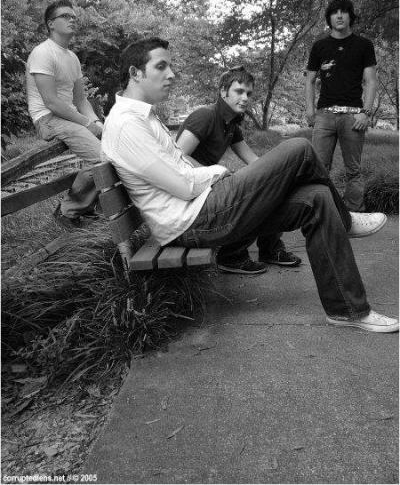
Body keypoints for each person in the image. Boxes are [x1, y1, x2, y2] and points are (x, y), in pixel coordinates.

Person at [101, 36, 398, 333]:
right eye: (161, 66)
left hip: (202, 208)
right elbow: (182, 185)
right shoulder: (128, 124)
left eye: (170, 66)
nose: (171, 74)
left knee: (316, 198)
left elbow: (182, 169)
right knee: (299, 148)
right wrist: (219, 172)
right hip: (193, 220)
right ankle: (346, 222)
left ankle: (347, 311)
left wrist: (240, 177)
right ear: (135, 73)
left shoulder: (143, 118)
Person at [176, 66, 301, 274]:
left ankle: (270, 249)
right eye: (239, 91)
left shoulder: (231, 125)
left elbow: (255, 162)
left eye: (248, 94)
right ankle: (232, 256)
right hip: (193, 196)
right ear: (223, 91)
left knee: (274, 184)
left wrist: (277, 173)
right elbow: (178, 157)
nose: (245, 98)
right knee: (257, 197)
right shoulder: (205, 116)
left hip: (208, 188)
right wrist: (214, 174)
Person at [26, 0, 103, 227]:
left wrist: (97, 122)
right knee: (102, 158)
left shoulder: (72, 58)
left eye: (74, 17)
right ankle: (68, 211)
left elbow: (80, 100)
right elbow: (51, 101)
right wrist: (85, 123)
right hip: (48, 117)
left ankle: (88, 208)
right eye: (65, 16)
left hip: (67, 115)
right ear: (51, 24)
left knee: (115, 147)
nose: (72, 20)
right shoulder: (42, 53)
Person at [305, 0, 377, 212]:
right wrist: (310, 110)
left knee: (353, 170)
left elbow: (371, 81)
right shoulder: (319, 46)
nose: (339, 15)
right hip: (324, 116)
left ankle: (354, 212)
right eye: (334, 12)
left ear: (350, 16)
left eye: (343, 11)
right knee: (318, 168)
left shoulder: (364, 45)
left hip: (353, 117)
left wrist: (366, 113)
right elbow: (309, 80)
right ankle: (321, 212)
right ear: (329, 18)